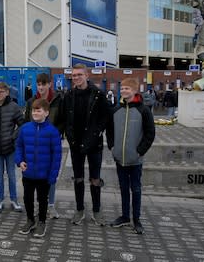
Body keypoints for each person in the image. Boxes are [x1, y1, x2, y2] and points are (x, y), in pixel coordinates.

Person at [59, 63, 109, 226]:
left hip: (94, 144)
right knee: (78, 178)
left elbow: (105, 118)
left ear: (87, 76)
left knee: (95, 178)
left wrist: (96, 134)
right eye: (74, 75)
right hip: (75, 144)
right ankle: (79, 210)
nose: (76, 78)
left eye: (79, 75)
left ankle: (97, 210)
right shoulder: (68, 95)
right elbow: (65, 118)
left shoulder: (98, 95)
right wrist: (69, 136)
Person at [106, 78, 155, 234]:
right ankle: (125, 216)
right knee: (123, 189)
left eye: (127, 88)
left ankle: (136, 219)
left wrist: (140, 151)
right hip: (120, 159)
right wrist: (113, 148)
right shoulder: (116, 110)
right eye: (122, 88)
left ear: (134, 91)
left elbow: (150, 133)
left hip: (136, 160)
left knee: (136, 189)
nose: (124, 90)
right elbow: (110, 131)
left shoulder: (143, 110)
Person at [16, 98, 62, 238]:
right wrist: (19, 161)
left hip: (44, 175)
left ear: (46, 113)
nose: (35, 113)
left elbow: (57, 155)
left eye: (38, 110)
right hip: (28, 173)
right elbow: (18, 146)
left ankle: (41, 222)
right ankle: (30, 220)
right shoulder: (25, 129)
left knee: (43, 200)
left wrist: (53, 175)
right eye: (33, 110)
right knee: (27, 198)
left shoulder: (52, 131)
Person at [24, 73, 63, 219]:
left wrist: (54, 133)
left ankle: (50, 205)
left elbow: (62, 120)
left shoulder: (58, 100)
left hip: (51, 142)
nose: (41, 87)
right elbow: (26, 121)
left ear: (50, 84)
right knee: (34, 178)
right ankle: (39, 206)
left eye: (43, 84)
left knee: (50, 176)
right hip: (34, 143)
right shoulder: (31, 101)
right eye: (38, 84)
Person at [0, 82, 25, 213]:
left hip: (10, 148)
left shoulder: (14, 107)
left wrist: (13, 137)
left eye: (1, 91)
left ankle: (14, 199)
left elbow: (22, 125)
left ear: (7, 92)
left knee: (12, 175)